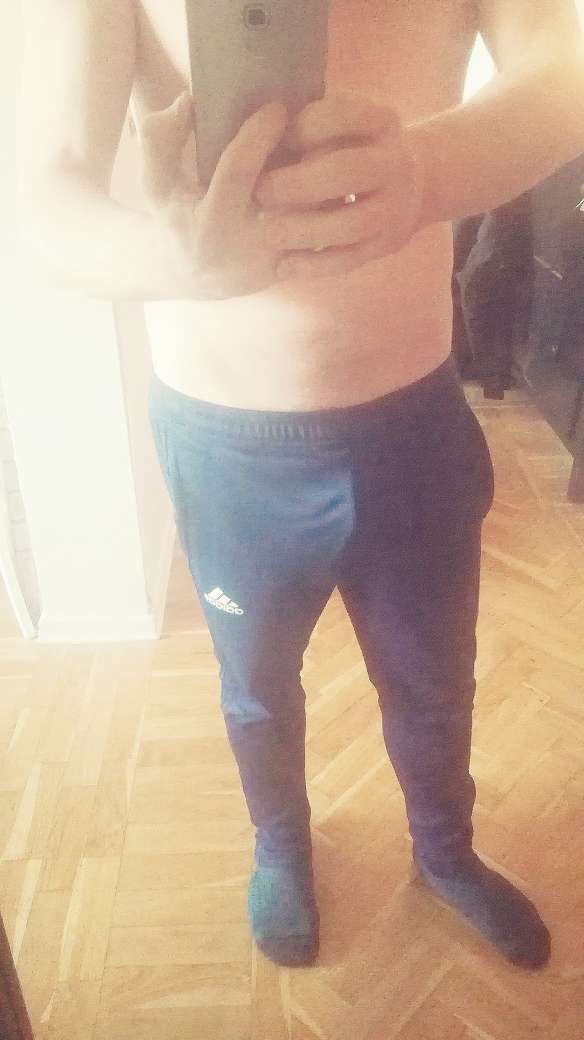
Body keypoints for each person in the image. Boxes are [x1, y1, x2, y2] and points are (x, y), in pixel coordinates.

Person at [18, 0, 584, 971]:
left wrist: (425, 172)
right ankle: (279, 846)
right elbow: (44, 193)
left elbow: (565, 68)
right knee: (257, 692)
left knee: (434, 685)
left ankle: (444, 849)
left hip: (413, 427)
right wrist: (179, 260)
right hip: (227, 445)